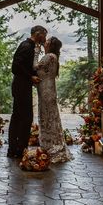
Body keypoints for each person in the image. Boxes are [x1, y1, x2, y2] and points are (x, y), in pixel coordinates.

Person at [7, 25, 47, 158]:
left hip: (23, 86)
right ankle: (19, 149)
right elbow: (15, 67)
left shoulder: (30, 46)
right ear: (37, 33)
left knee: (19, 117)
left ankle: (15, 149)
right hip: (21, 86)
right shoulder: (26, 46)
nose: (45, 38)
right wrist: (30, 77)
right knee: (24, 118)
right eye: (44, 35)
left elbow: (25, 66)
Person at [36, 36, 73, 164]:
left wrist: (36, 52)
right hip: (48, 89)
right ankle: (50, 142)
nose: (44, 42)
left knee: (47, 117)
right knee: (50, 116)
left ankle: (49, 145)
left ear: (51, 45)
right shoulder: (53, 57)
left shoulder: (49, 57)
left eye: (47, 41)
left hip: (46, 90)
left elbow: (35, 67)